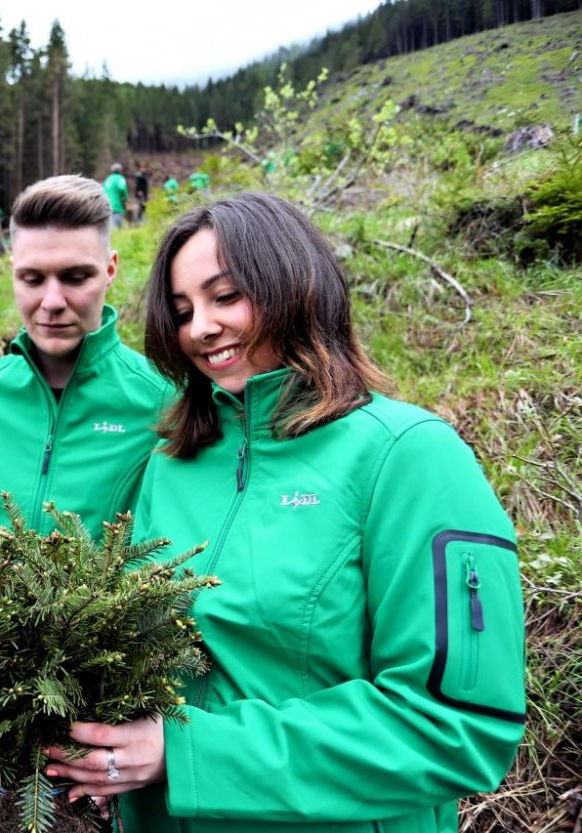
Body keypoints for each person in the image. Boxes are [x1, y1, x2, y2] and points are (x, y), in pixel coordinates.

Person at [41, 193, 525, 832]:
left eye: (226, 296)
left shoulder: (409, 457)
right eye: (183, 311)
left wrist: (186, 753)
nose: (201, 328)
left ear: (296, 286)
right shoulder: (174, 463)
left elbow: (457, 725)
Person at [0, 174, 171, 833]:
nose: (53, 301)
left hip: (93, 718)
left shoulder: (157, 403)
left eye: (76, 276)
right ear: (10, 270)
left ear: (111, 269)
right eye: (32, 278)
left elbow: (170, 552)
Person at [102, 163, 130, 228]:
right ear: (120, 171)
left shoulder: (107, 179)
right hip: (117, 206)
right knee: (117, 227)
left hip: (106, 206)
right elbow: (122, 188)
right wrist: (125, 198)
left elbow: (102, 190)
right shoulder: (120, 178)